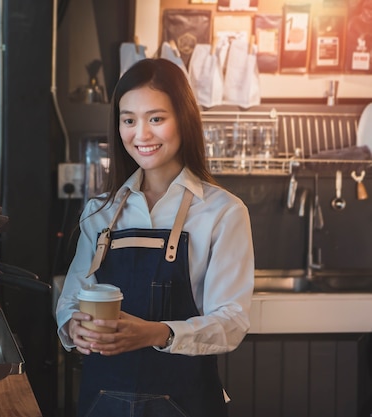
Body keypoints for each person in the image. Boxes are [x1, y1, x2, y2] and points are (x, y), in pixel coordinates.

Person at [55, 58, 254, 417]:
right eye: (129, 120)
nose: (141, 135)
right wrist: (72, 326)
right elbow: (71, 299)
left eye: (156, 119)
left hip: (188, 402)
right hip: (102, 403)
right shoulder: (99, 212)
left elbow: (231, 322)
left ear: (184, 119)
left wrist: (155, 333)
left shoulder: (223, 211)